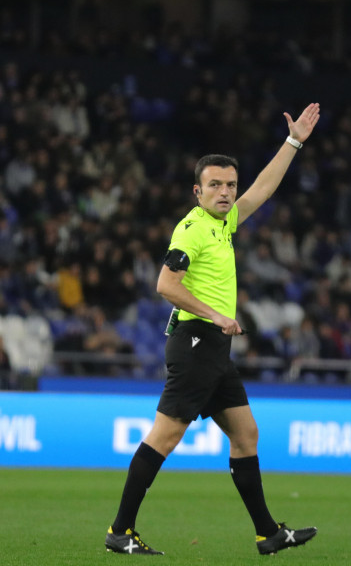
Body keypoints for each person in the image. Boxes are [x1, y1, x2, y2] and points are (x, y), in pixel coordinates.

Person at [104, 103, 320, 556]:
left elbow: (263, 189)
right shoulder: (193, 230)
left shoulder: (223, 224)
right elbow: (165, 284)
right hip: (196, 342)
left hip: (212, 348)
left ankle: (268, 534)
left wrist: (293, 141)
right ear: (197, 191)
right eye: (215, 185)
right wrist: (216, 315)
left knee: (246, 435)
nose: (225, 192)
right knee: (164, 437)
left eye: (229, 185)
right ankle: (120, 531)